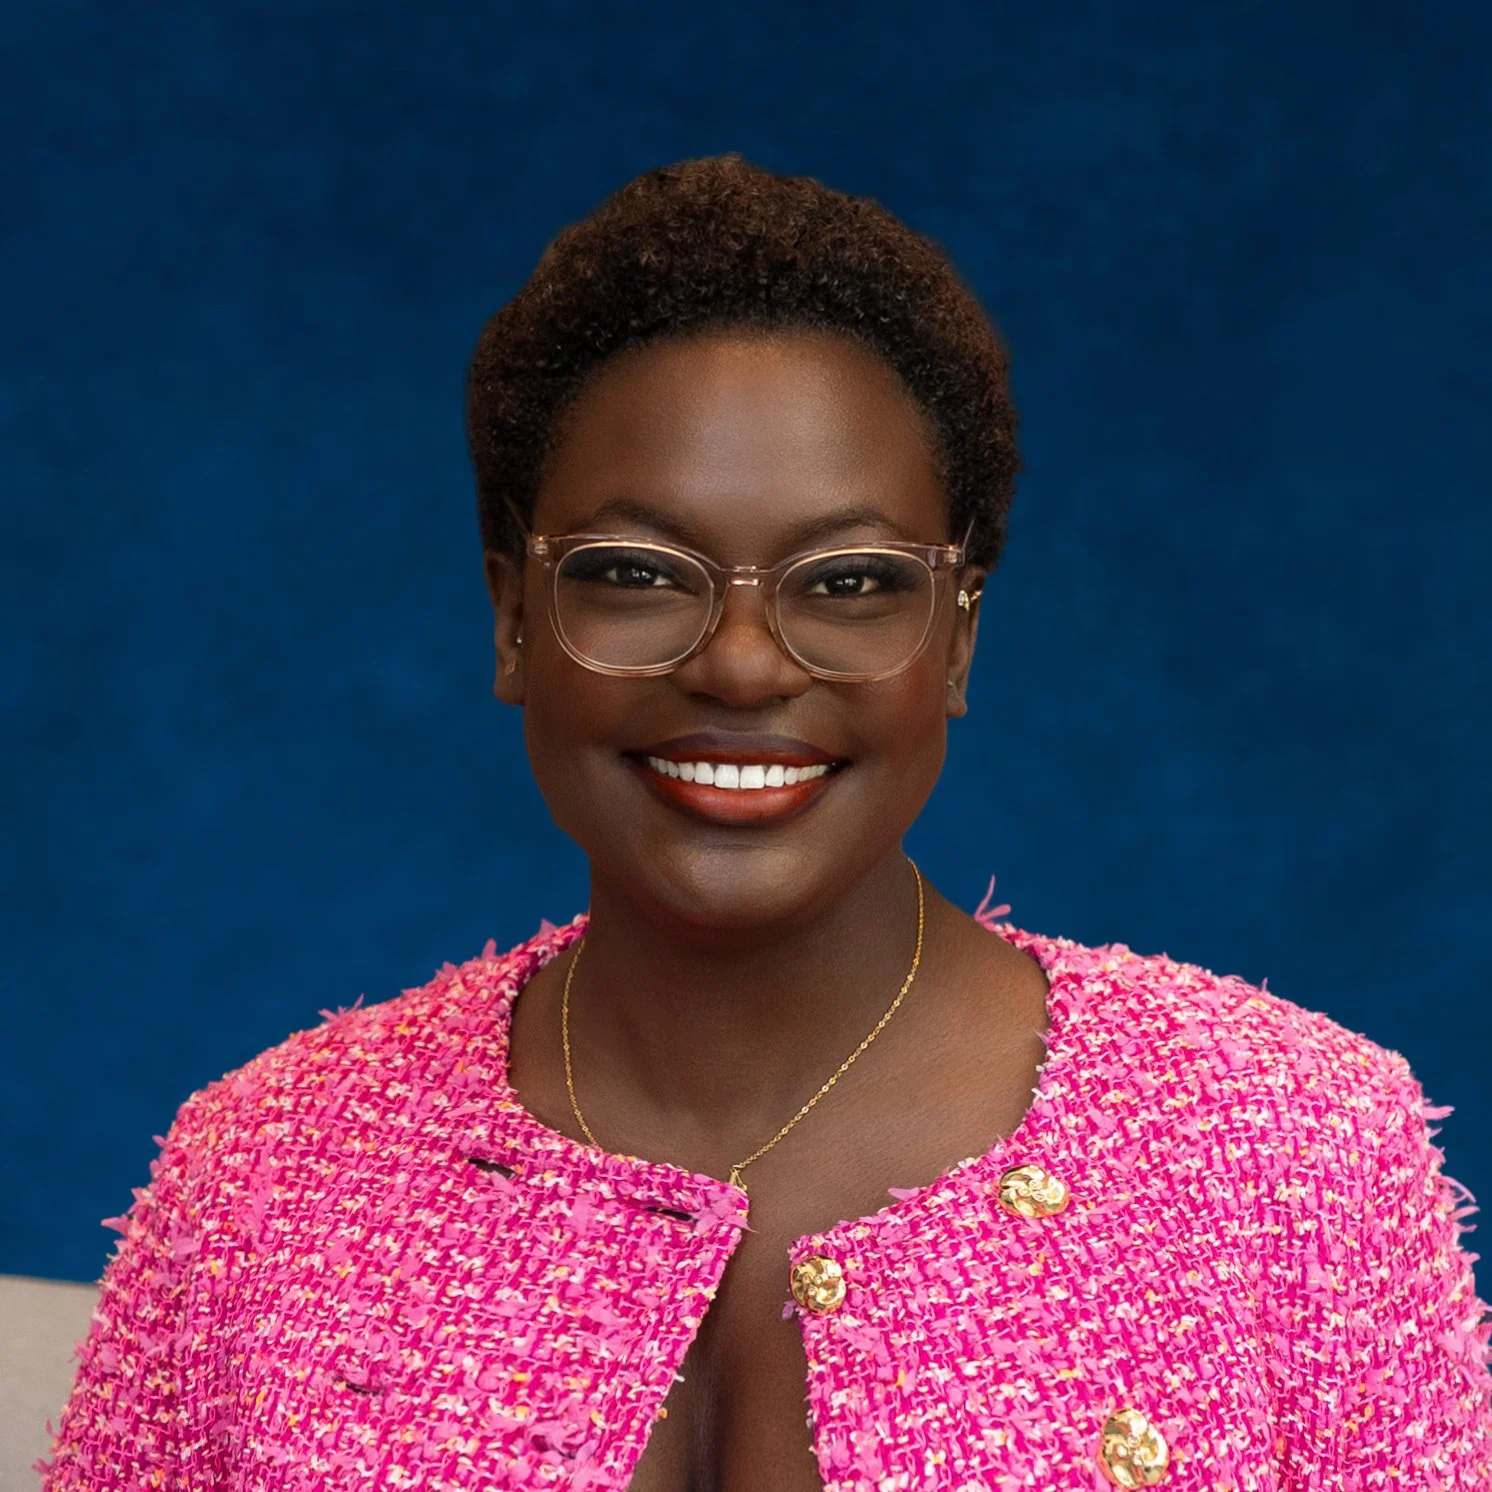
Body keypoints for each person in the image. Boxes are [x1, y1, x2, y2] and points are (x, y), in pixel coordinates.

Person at [41, 154, 1492, 1492]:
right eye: (637, 573)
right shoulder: (258, 1183)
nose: (741, 664)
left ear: (961, 639)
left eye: (851, 583)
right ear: (510, 619)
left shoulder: (1289, 1158)